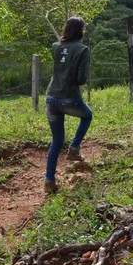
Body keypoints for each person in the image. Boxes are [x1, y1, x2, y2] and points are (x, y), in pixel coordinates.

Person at [43, 16, 92, 194]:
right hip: (69, 98)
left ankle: (49, 181)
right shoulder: (83, 50)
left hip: (51, 99)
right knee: (87, 116)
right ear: (80, 31)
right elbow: (81, 79)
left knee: (56, 141)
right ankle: (74, 148)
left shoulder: (56, 47)